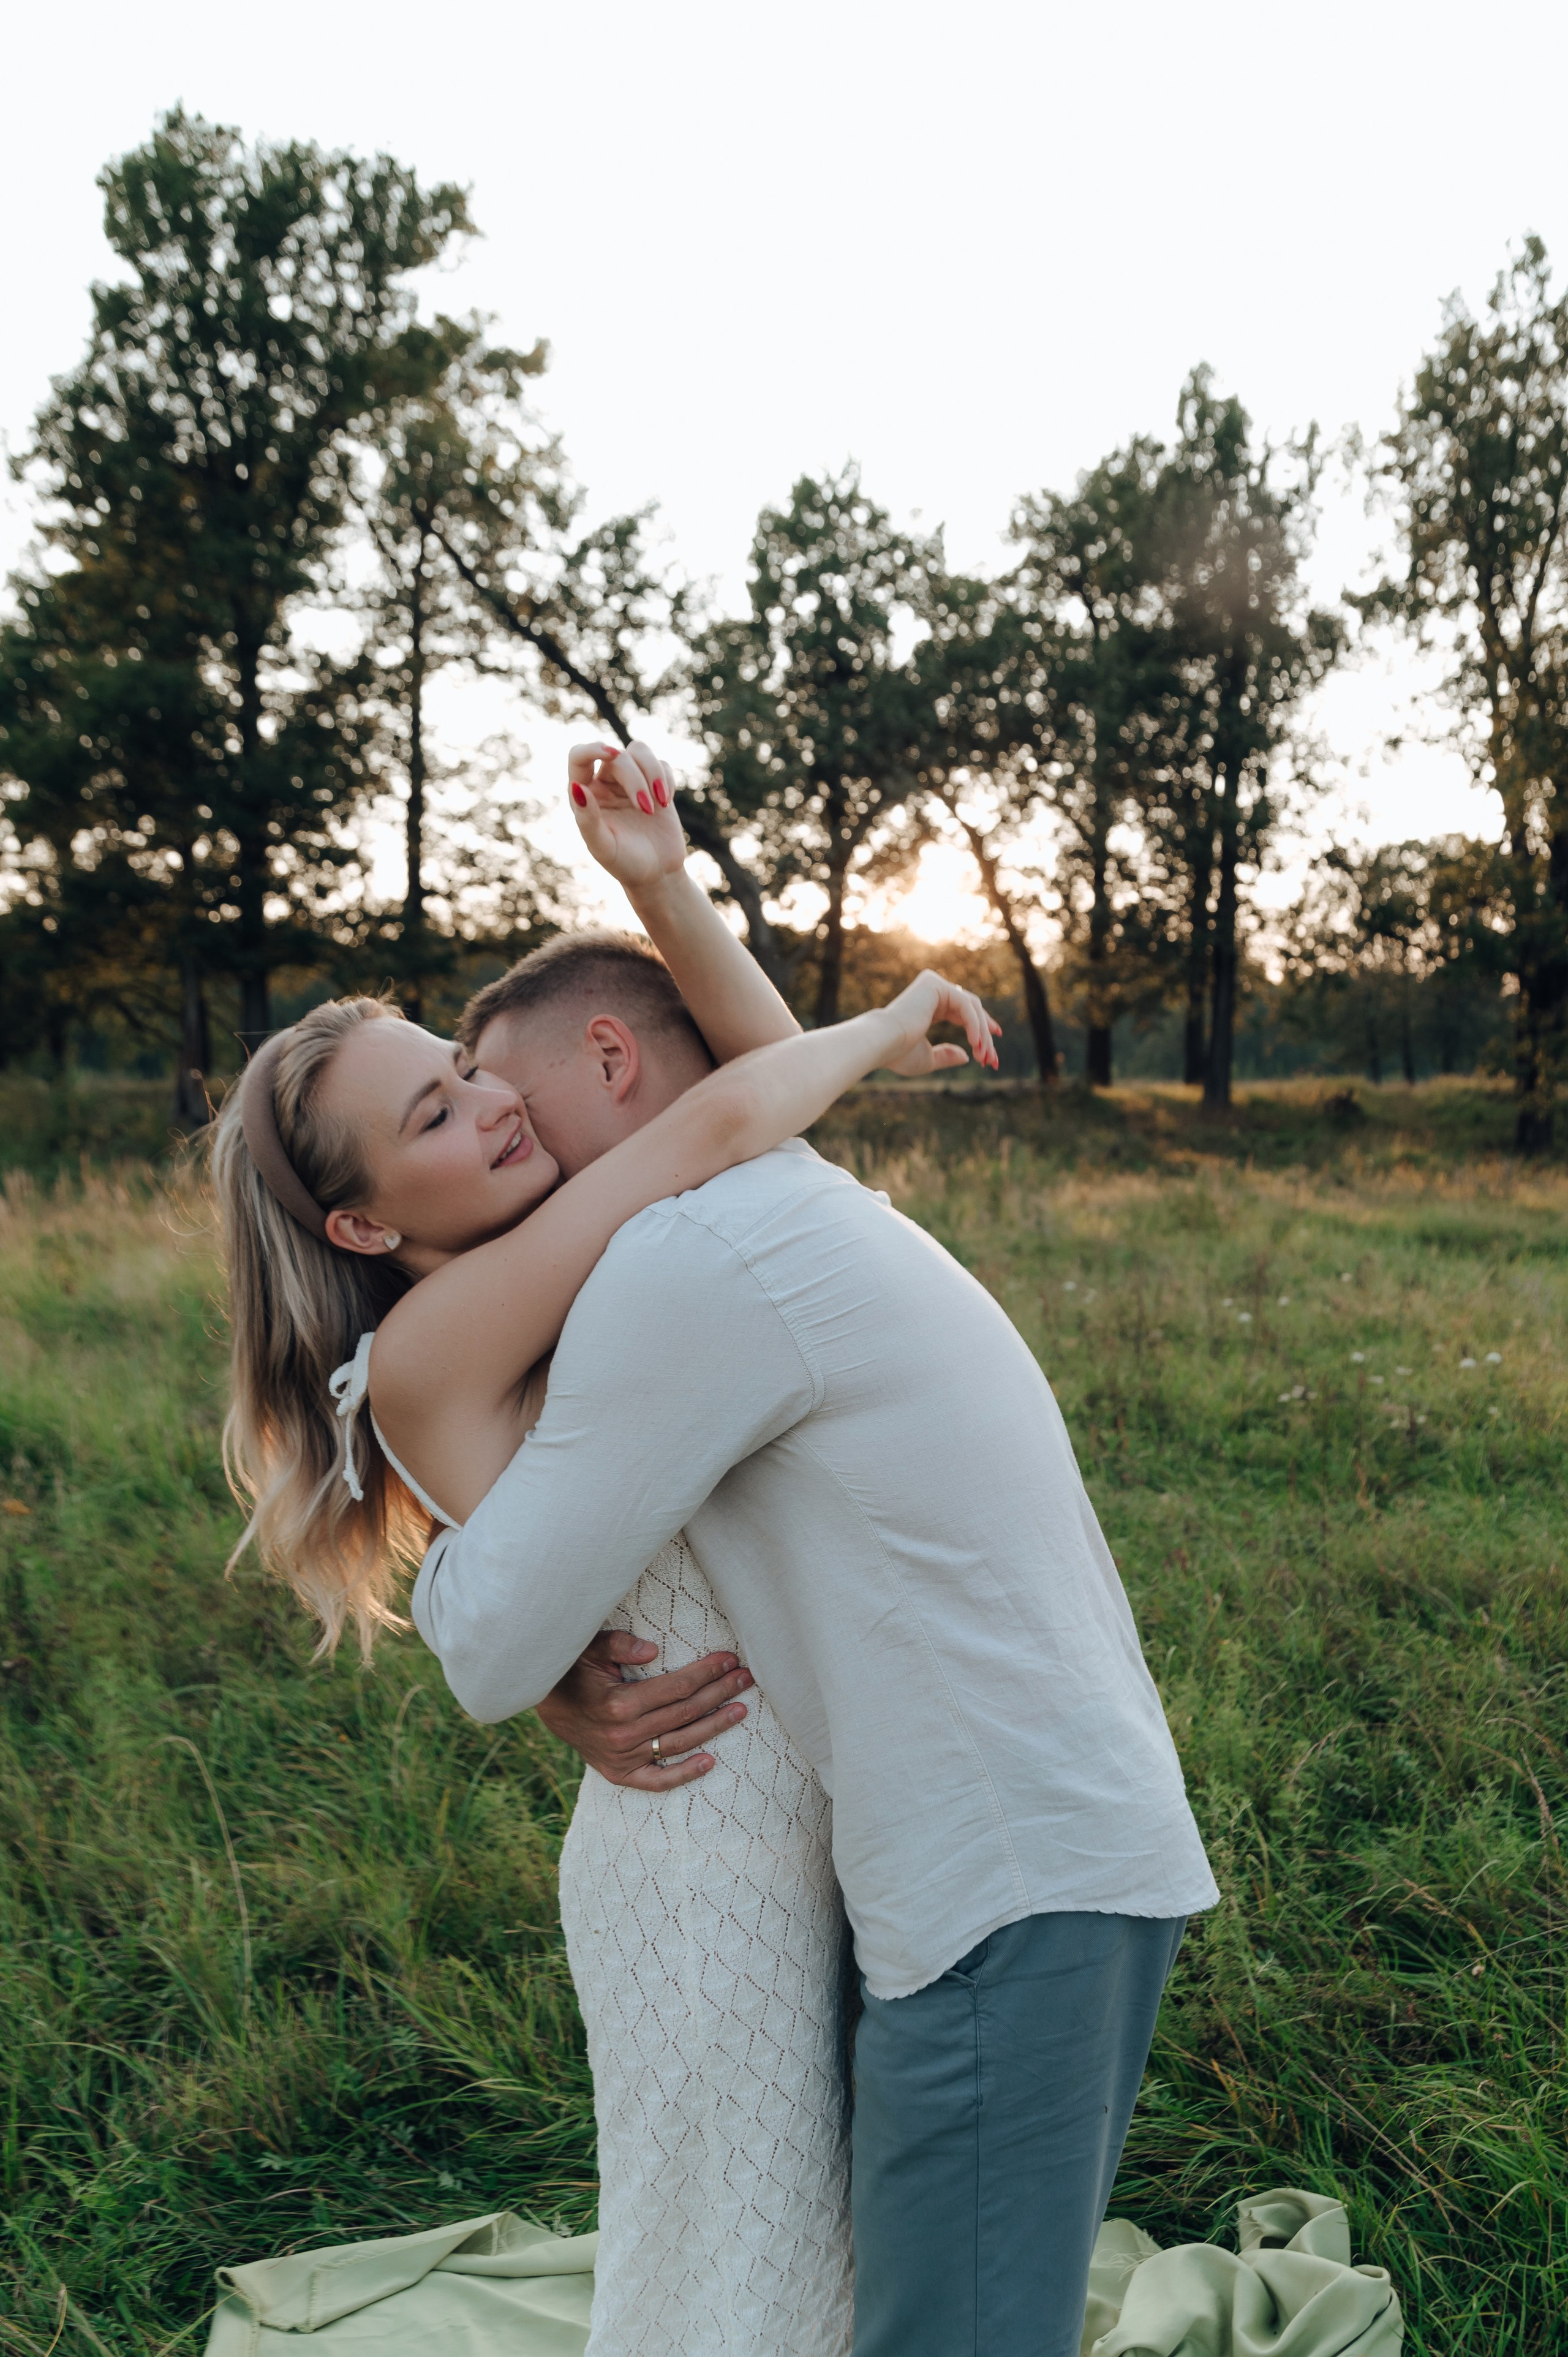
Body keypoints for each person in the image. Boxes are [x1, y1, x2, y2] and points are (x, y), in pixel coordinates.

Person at [417, 759, 1221, 2357]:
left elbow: (494, 1642)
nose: (497, 1126)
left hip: (1004, 1889)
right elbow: (763, 1077)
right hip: (1022, 1856)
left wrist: (505, 1625)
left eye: (499, 1091)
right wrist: (662, 882)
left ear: (608, 1058)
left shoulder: (688, 1256)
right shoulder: (773, 1205)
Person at [213, 736, 996, 2357]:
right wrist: (889, 1017)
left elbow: (758, 1144)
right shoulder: (443, 1336)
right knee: (737, 2278)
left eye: (463, 1067)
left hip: (798, 1815)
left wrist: (661, 883)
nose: (494, 1103)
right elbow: (729, 1121)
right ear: (365, 1225)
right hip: (701, 1868)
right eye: (436, 1113)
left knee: (808, 2262)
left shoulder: (569, 1271)